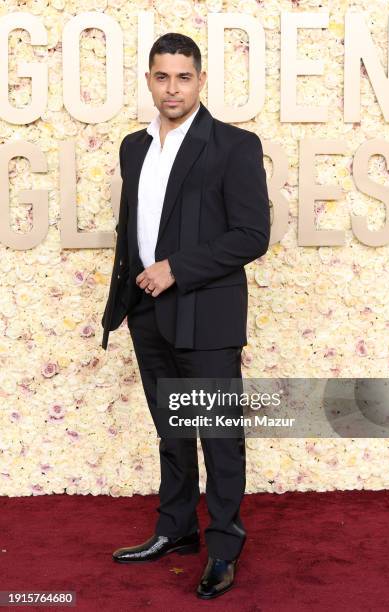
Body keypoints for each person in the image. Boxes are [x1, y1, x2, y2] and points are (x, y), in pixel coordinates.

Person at [101, 32, 270, 600]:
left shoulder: (234, 146)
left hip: (208, 313)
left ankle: (223, 547)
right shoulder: (133, 146)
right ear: (149, 80)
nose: (172, 87)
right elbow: (134, 228)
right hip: (148, 314)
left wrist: (177, 267)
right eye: (162, 76)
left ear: (200, 81)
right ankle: (175, 530)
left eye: (183, 77)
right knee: (172, 432)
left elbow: (252, 235)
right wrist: (125, 299)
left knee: (220, 436)